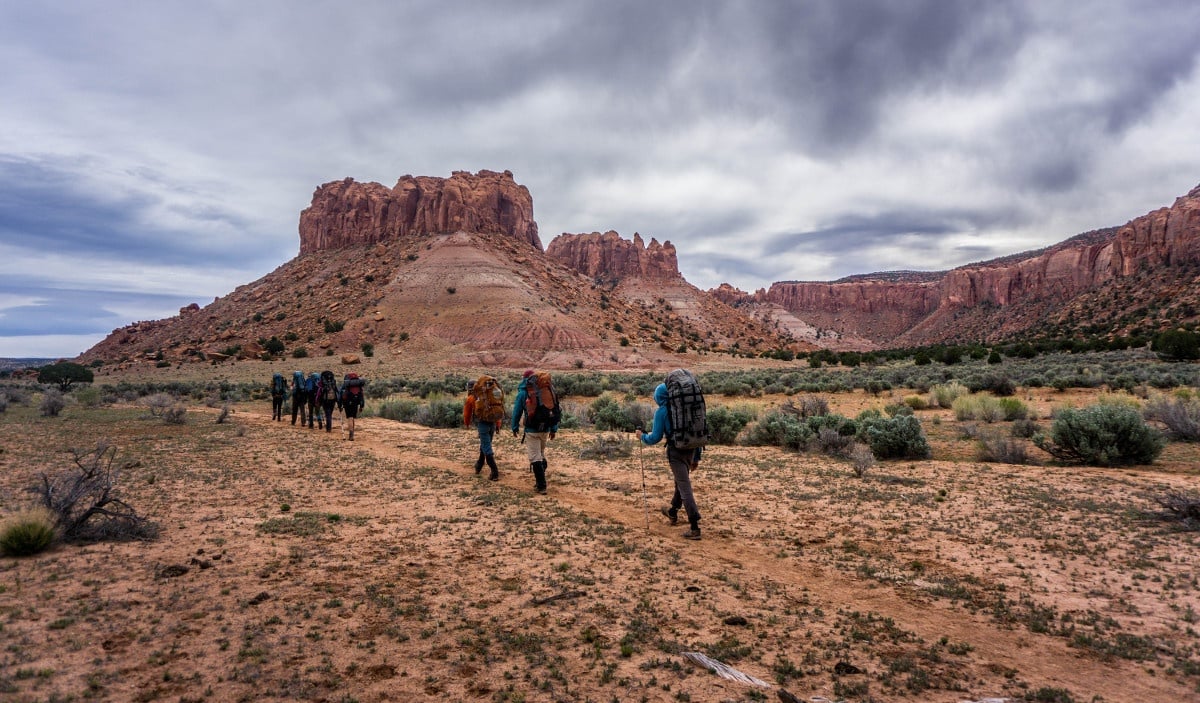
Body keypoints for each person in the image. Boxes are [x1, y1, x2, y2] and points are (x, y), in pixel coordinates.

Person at [636, 382, 703, 540]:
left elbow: (655, 438)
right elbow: (696, 432)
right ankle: (673, 511)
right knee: (681, 482)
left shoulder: (662, 411)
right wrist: (696, 457)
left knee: (684, 486)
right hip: (691, 449)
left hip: (676, 452)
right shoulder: (686, 408)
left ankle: (694, 527)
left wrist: (642, 437)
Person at [510, 369, 559, 494]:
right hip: (546, 428)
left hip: (532, 430)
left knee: (535, 457)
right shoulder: (548, 390)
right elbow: (555, 409)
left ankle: (541, 486)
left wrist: (514, 427)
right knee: (540, 454)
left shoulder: (523, 392)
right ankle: (539, 480)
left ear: (524, 379)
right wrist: (553, 429)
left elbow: (517, 412)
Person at [464, 376, 504, 481]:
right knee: (485, 444)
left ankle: (494, 472)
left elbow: (467, 414)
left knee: (486, 447)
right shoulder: (489, 397)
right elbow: (496, 409)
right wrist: (498, 425)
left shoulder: (472, 398)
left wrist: (467, 424)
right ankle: (479, 465)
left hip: (483, 424)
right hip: (492, 423)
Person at [339, 372, 366, 440]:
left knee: (350, 418)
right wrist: (361, 406)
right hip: (356, 403)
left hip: (347, 403)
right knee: (353, 417)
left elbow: (340, 395)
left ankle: (351, 434)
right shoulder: (358, 386)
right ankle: (352, 433)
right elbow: (361, 396)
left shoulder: (346, 384)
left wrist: (340, 405)